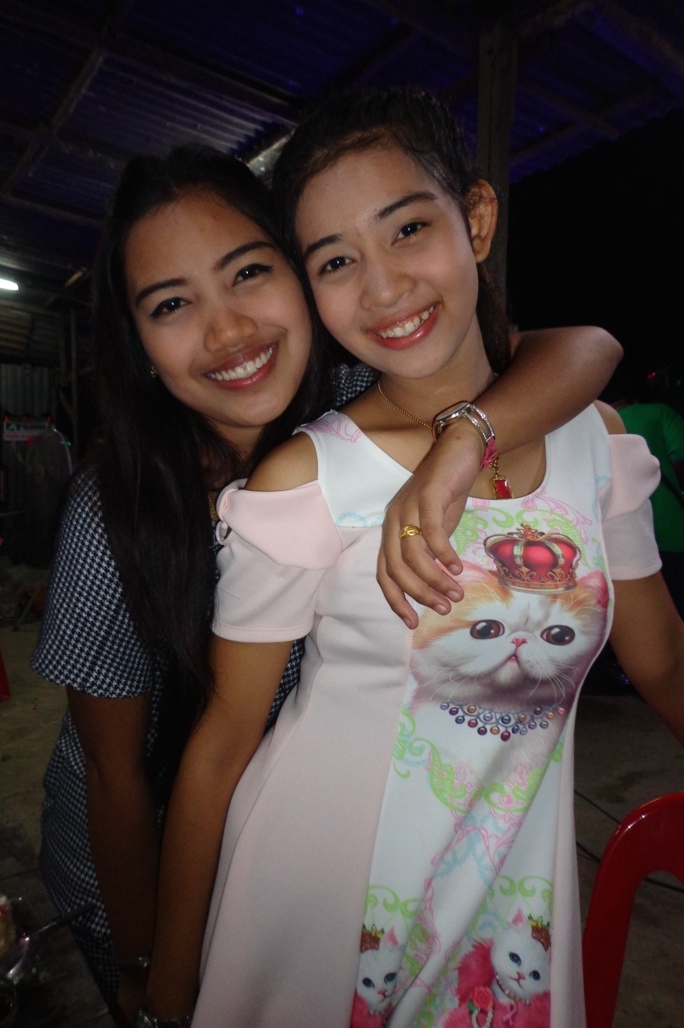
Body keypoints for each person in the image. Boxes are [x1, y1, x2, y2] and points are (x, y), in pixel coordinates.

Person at [31, 146, 619, 1024]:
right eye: (172, 305)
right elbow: (112, 778)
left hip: (278, 838)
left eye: (248, 274)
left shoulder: (357, 396)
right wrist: (148, 970)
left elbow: (580, 350)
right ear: (140, 346)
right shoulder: (112, 510)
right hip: (134, 866)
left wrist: (466, 437)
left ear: (304, 279)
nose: (228, 332)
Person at [142, 90, 684, 1028]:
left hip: (508, 892)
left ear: (475, 219)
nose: (384, 286)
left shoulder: (592, 443)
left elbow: (663, 659)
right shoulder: (309, 477)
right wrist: (167, 991)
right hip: (318, 897)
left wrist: (463, 438)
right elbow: (223, 740)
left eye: (406, 229)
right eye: (336, 260)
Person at [617, 399, 684, 615]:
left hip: (623, 546)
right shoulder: (659, 413)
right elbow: (680, 460)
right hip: (671, 527)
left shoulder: (585, 423)